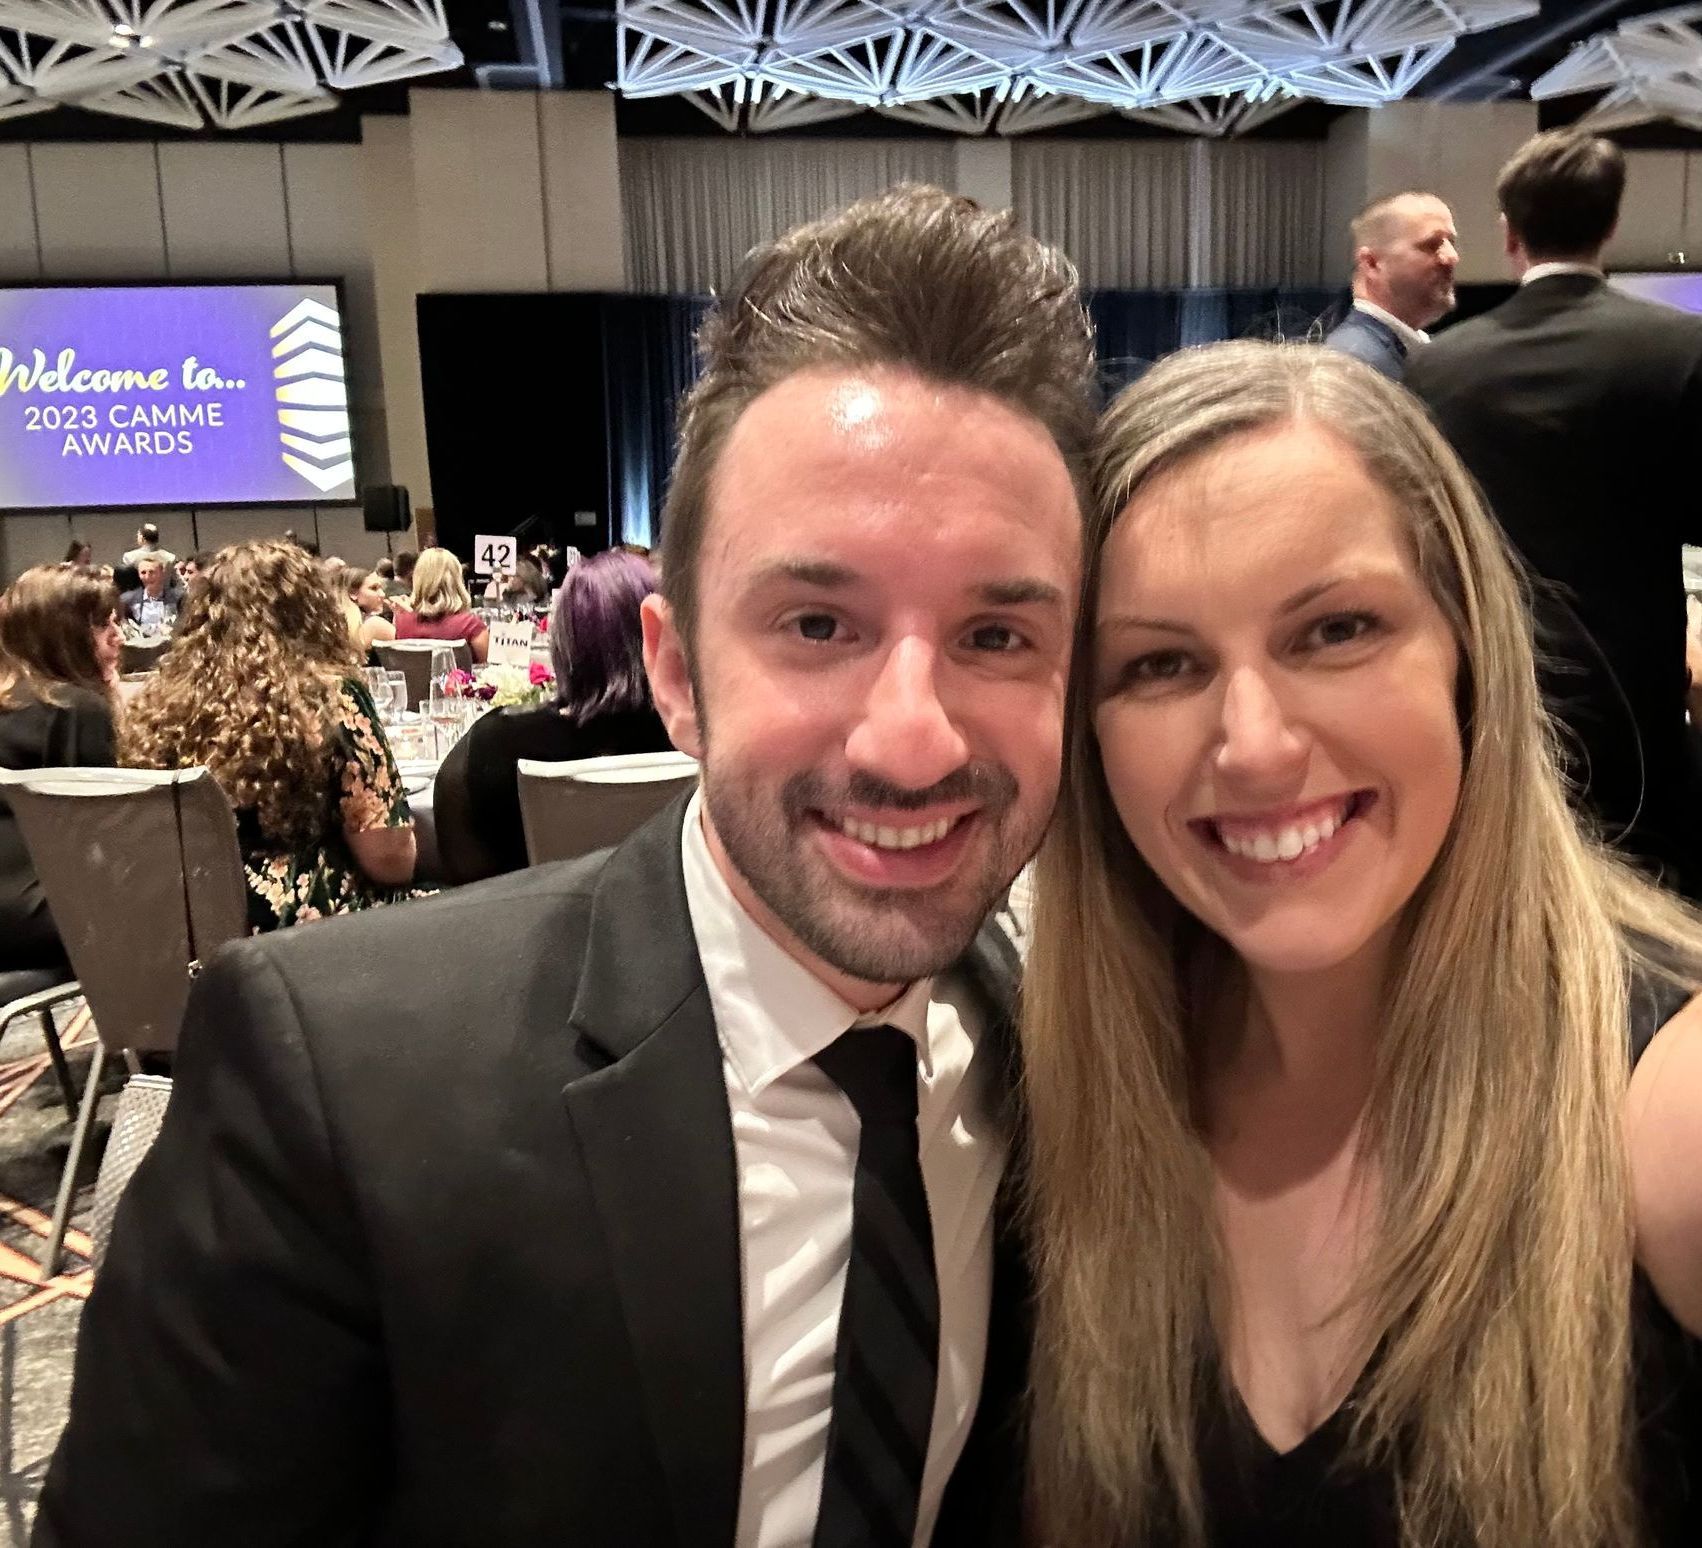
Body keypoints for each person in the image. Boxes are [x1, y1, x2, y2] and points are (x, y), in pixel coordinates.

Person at [37, 185, 1096, 1547]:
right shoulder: (342, 1086)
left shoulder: (1077, 1064)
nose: (910, 740)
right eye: (818, 622)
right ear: (674, 672)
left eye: (997, 637)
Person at [1019, 341, 1701, 1548]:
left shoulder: (1666, 1098)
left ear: (1466, 658)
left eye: (1335, 630)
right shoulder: (1061, 1093)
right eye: (1161, 663)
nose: (1257, 745)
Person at [1407, 130, 1702, 900]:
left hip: (1489, 693)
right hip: (1635, 699)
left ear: (1509, 233)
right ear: (1610, 225)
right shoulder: (1680, 349)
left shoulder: (1438, 366)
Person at [118, 541, 421, 934]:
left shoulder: (161, 701)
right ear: (311, 612)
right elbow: (389, 860)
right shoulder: (330, 695)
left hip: (176, 930)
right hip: (298, 939)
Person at [434, 550, 672, 881]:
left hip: (530, 924)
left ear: (562, 640)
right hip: (672, 925)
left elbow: (466, 880)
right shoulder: (697, 739)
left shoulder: (492, 746)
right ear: (659, 632)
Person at [0, 567, 121, 971]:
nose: (118, 636)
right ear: (63, 635)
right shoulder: (72, 709)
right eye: (103, 625)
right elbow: (111, 840)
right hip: (44, 922)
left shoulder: (12, 702)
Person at [1322, 192, 1458, 380]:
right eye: (1431, 245)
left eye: (1451, 242)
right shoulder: (1352, 365)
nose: (1451, 257)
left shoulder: (1409, 351)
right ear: (1371, 263)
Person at [394, 546, 489, 663]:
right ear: (456, 580)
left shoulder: (401, 623)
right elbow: (491, 673)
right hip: (457, 681)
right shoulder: (471, 626)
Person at [118, 555, 184, 632]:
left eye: (152, 572)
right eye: (143, 573)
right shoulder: (127, 600)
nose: (147, 577)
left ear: (162, 573)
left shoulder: (179, 598)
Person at [340, 564, 396, 652]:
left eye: (381, 588)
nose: (382, 594)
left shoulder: (338, 624)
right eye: (374, 588)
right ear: (353, 593)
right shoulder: (374, 624)